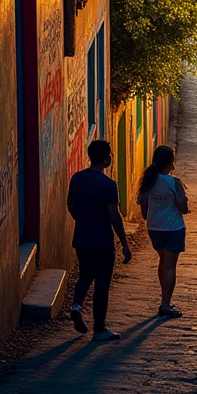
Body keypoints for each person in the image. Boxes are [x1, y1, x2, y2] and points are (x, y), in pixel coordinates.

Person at [67, 139, 131, 342]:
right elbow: (114, 215)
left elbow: (70, 204)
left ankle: (76, 305)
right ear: (105, 159)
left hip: (82, 238)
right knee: (102, 285)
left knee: (85, 275)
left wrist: (81, 219)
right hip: (102, 241)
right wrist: (124, 242)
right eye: (110, 154)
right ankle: (99, 329)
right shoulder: (108, 185)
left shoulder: (77, 178)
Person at [137, 145, 189, 318]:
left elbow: (144, 210)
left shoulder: (148, 181)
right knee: (170, 266)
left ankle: (164, 297)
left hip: (154, 227)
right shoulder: (174, 183)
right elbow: (183, 208)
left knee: (163, 260)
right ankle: (165, 304)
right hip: (173, 228)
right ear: (170, 162)